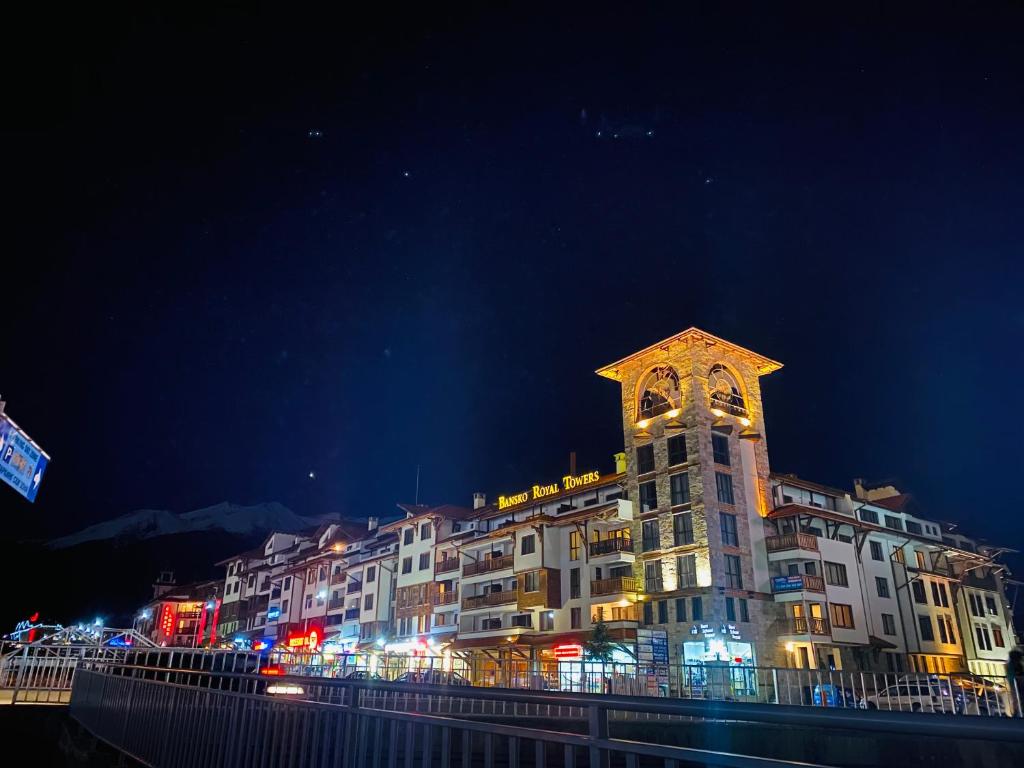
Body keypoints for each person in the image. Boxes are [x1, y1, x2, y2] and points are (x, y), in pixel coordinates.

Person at [1006, 649, 1023, 717]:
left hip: (1013, 681)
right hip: (1017, 681)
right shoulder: (1015, 664)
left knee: (1015, 697)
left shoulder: (1009, 664)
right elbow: (1018, 673)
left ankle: (1016, 712)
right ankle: (1017, 712)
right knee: (1019, 697)